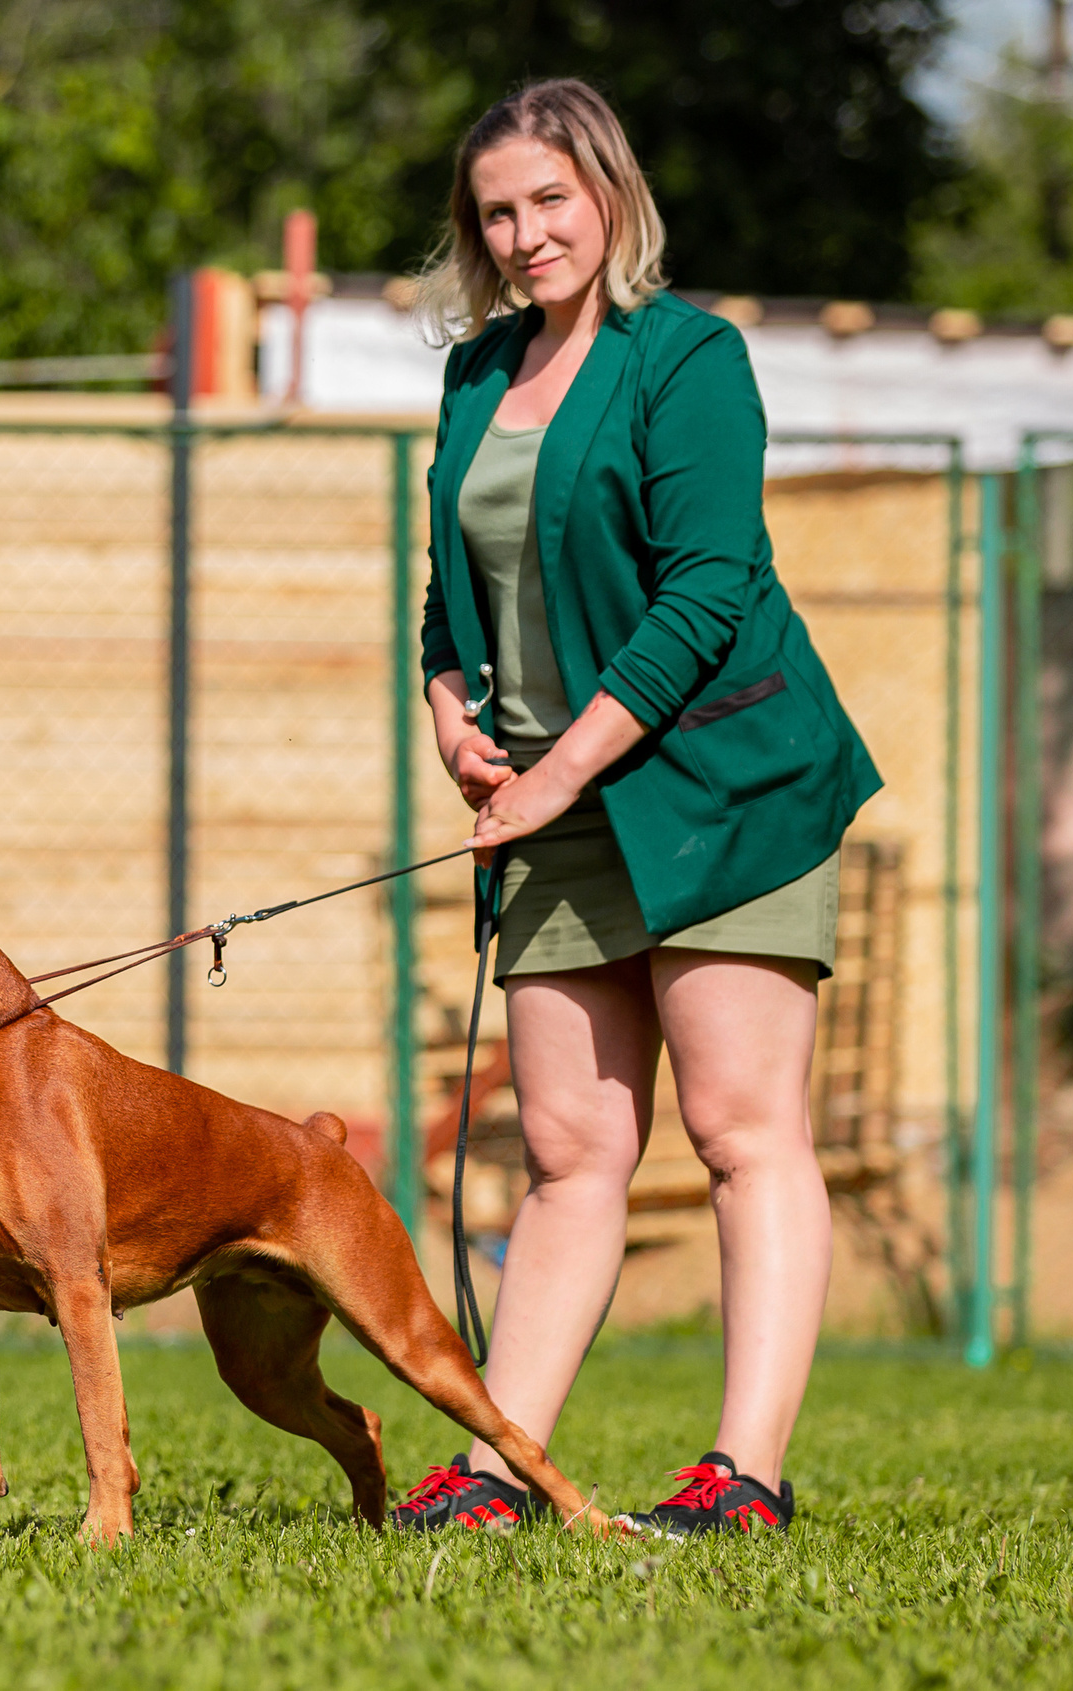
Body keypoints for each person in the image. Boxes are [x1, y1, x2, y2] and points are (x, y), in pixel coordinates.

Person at [386, 78, 881, 1537]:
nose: (527, 233)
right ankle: (502, 1469)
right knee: (566, 1154)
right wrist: (449, 708)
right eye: (498, 212)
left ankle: (748, 1477)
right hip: (551, 801)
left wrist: (557, 766)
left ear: (606, 191)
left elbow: (707, 589)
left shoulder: (690, 359)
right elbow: (449, 584)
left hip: (717, 785)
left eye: (549, 198)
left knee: (742, 1132)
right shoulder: (478, 375)